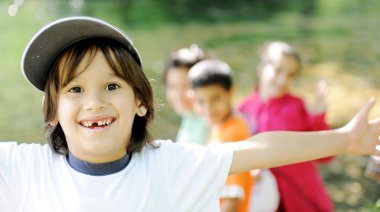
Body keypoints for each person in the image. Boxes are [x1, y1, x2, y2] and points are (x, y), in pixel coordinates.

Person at [0, 16, 379, 212]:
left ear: (141, 102)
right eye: (75, 89)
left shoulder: (169, 166)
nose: (93, 102)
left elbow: (258, 149)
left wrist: (345, 139)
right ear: (51, 111)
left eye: (112, 86)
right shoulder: (24, 170)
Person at [238, 41, 335, 211]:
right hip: (267, 201)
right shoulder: (243, 110)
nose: (283, 79)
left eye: (291, 75)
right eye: (278, 70)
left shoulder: (298, 107)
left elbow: (325, 157)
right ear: (261, 67)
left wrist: (319, 115)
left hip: (304, 200)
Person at [188, 59, 254, 212]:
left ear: (231, 91)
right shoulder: (222, 126)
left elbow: (233, 195)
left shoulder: (233, 133)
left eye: (215, 99)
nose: (208, 108)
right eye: (201, 101)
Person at [162, 44, 210, 145]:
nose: (178, 95)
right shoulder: (189, 116)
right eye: (172, 86)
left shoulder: (208, 123)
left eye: (187, 86)